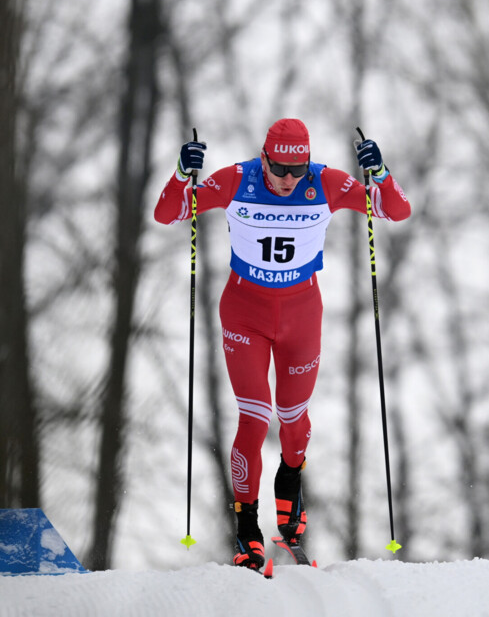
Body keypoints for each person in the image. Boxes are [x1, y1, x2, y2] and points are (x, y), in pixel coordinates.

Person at [154, 118, 411, 570]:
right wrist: (180, 173)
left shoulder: (325, 183)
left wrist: (382, 172)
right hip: (244, 313)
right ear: (265, 158)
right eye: (280, 169)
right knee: (254, 419)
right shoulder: (237, 179)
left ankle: (290, 489)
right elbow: (169, 213)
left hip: (301, 315)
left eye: (298, 169)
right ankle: (247, 530)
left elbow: (395, 211)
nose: (289, 179)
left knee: (293, 419)